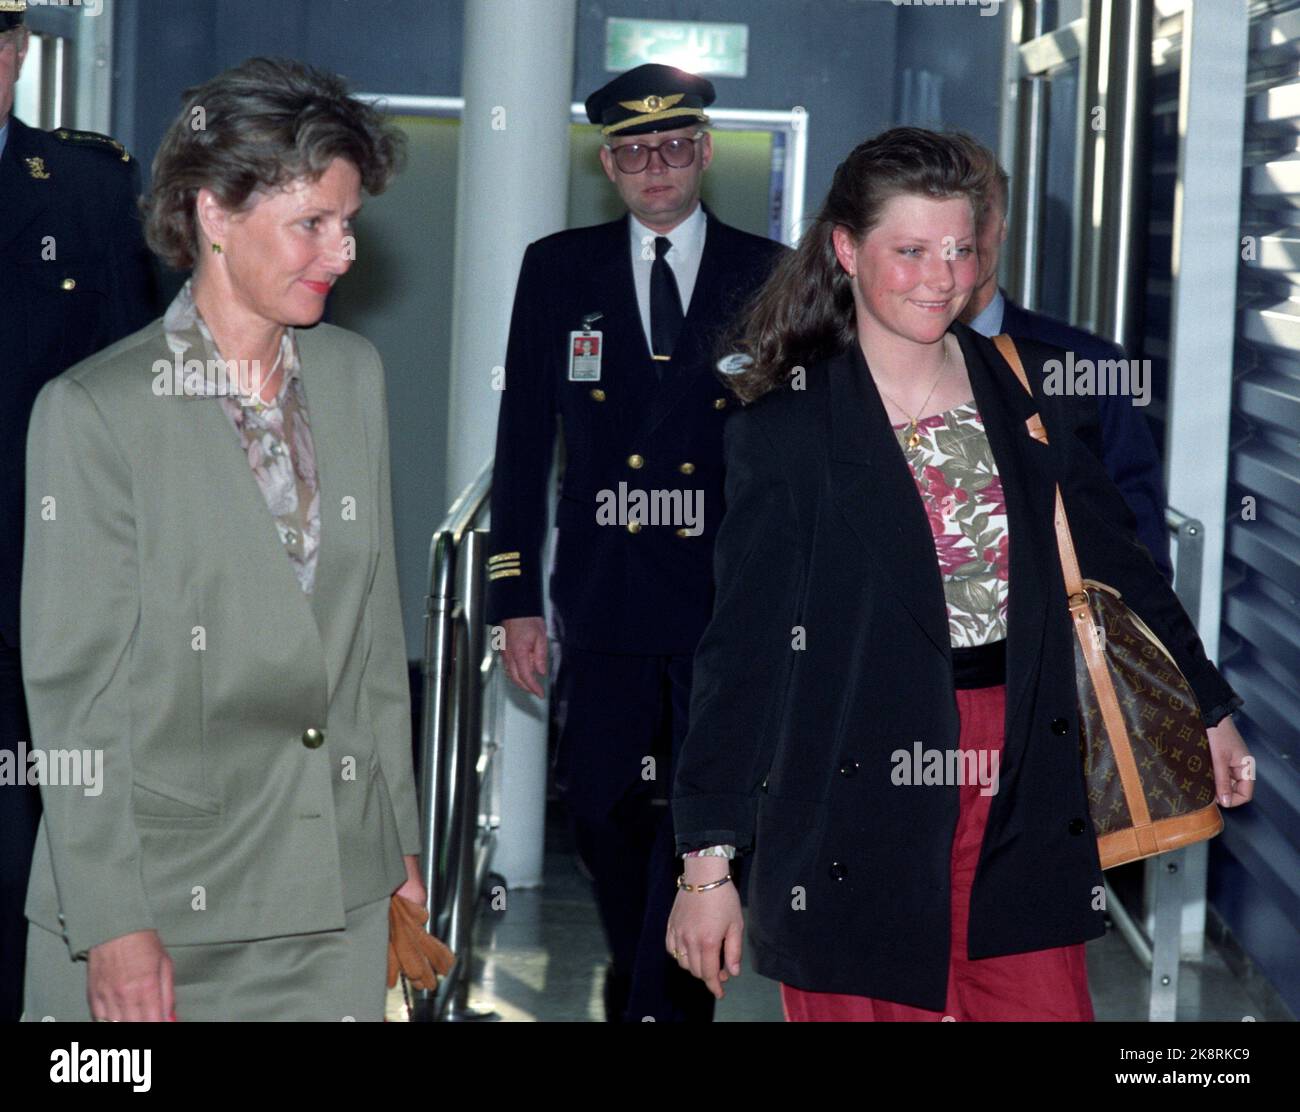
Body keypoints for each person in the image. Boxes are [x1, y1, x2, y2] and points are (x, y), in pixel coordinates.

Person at [666, 128, 1254, 1021]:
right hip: (852, 785)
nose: (941, 277)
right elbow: (742, 653)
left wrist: (1205, 707)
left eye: (959, 249)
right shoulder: (786, 429)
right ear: (846, 249)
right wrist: (707, 859)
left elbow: (1115, 561)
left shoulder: (1031, 390)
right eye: (909, 251)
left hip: (1020, 763)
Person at [19, 56, 423, 1022]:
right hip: (164, 912)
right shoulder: (93, 413)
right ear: (212, 214)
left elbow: (371, 633)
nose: (342, 253)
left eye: (349, 223)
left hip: (338, 892)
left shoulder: (353, 374)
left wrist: (397, 844)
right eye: (311, 225)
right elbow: (78, 699)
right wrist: (113, 921)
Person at [486, 63, 786, 1021]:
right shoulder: (557, 267)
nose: (653, 166)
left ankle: (662, 998)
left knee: (706, 804)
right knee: (605, 801)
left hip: (720, 589)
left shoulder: (771, 272)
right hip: (605, 581)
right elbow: (523, 440)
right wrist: (513, 596)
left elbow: (790, 448)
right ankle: (641, 957)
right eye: (631, 152)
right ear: (607, 164)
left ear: (702, 151)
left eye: (671, 146)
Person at [0, 0, 158, 1022]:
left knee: (22, 833)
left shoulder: (89, 188)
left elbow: (135, 392)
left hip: (36, 588)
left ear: (14, 56)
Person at [950, 132, 1173, 580]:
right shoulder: (863, 362)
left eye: (980, 210)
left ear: (1004, 225)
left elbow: (1140, 543)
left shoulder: (1089, 365)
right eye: (947, 214)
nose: (963, 234)